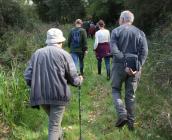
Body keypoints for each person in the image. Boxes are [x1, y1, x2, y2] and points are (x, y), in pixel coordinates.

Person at [24, 28, 83, 140]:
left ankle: (60, 137)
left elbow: (27, 76)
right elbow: (74, 79)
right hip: (58, 95)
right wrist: (80, 80)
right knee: (54, 126)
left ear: (48, 41)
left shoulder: (37, 53)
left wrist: (36, 85)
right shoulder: (64, 54)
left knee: (54, 121)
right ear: (60, 42)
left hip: (40, 95)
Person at [110, 10, 148, 130]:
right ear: (132, 20)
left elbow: (114, 50)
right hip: (135, 67)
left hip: (119, 66)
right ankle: (131, 126)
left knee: (116, 90)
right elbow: (144, 51)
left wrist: (124, 62)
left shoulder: (116, 31)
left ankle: (122, 113)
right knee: (130, 96)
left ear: (121, 19)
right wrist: (138, 67)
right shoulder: (140, 32)